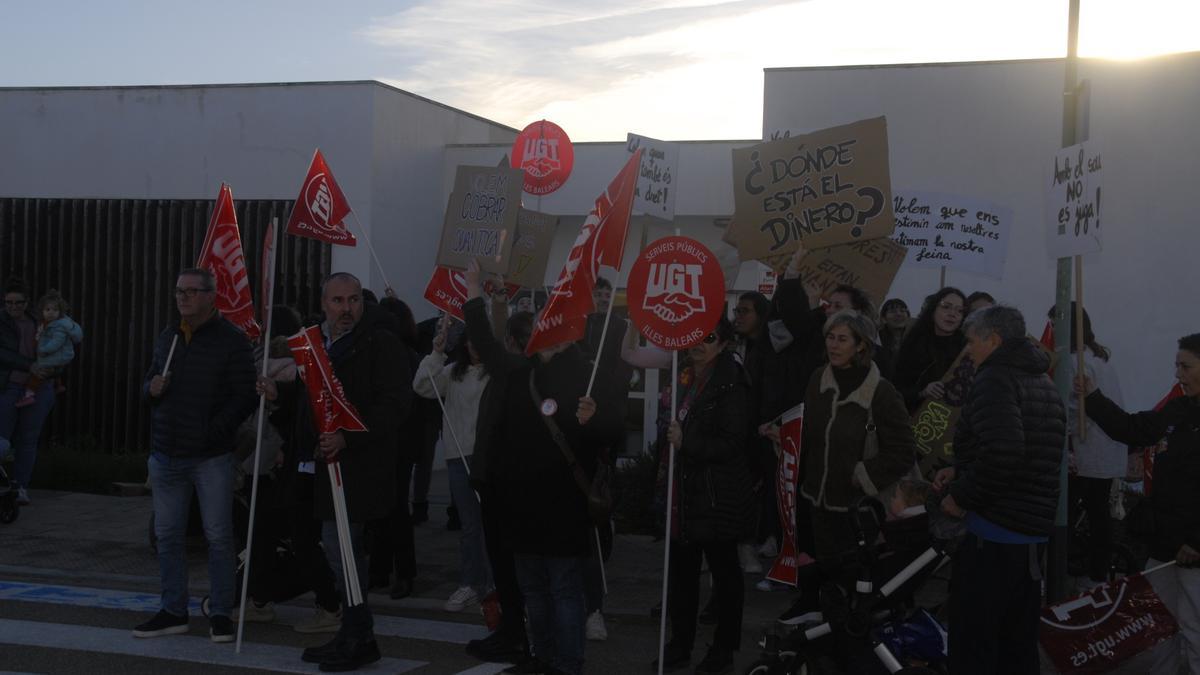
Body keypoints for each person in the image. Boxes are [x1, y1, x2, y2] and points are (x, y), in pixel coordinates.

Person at [264, 272, 411, 671]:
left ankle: (360, 634)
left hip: (358, 467)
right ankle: (353, 629)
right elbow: (318, 396)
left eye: (353, 300)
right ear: (324, 303)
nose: (346, 309)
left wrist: (349, 437)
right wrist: (283, 393)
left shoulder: (380, 344)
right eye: (338, 301)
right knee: (334, 547)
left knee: (344, 547)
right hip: (321, 465)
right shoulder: (319, 344)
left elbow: (395, 405)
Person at [481, 294, 621, 675]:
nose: (547, 329)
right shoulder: (521, 373)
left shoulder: (586, 374)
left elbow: (614, 433)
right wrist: (477, 293)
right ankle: (541, 658)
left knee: (563, 589)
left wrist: (596, 419)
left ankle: (567, 663)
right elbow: (489, 351)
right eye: (543, 322)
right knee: (534, 590)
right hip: (520, 503)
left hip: (563, 504)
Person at [936, 305, 1065, 675]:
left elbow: (1005, 453)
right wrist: (959, 470)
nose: (969, 351)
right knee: (1016, 643)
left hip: (994, 534)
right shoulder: (1040, 380)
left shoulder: (996, 378)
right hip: (1027, 535)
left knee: (976, 642)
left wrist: (961, 496)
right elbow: (1022, 450)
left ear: (993, 339)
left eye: (972, 342)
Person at [132, 268, 257, 643]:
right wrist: (150, 389)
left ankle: (221, 612)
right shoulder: (170, 336)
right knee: (168, 536)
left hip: (209, 456)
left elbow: (245, 396)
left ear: (210, 296)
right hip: (167, 452)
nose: (182, 298)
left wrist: (213, 432)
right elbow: (151, 382)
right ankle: (173, 610)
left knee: (218, 536)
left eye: (190, 291)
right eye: (178, 291)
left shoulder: (231, 340)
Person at [782, 310, 916, 641]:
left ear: (861, 345)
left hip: (860, 512)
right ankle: (834, 641)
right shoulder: (817, 380)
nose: (834, 345)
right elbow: (812, 431)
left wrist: (863, 474)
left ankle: (862, 644)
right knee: (831, 581)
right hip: (820, 501)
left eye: (843, 338)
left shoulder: (881, 392)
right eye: (830, 337)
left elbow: (903, 450)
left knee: (861, 585)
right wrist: (784, 434)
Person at [1076, 332, 1200, 674]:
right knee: (1158, 624)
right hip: (1164, 544)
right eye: (1177, 366)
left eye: (1186, 366)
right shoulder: (1179, 408)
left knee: (1194, 628)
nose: (1178, 374)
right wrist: (1093, 396)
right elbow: (1134, 429)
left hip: (1194, 552)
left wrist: (1197, 540)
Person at [653, 317, 754, 675]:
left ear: (724, 342)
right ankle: (680, 645)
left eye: (708, 337)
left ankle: (723, 649)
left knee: (725, 576)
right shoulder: (682, 373)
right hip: (683, 492)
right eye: (694, 334)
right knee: (681, 576)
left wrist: (687, 443)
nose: (699, 342)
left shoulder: (730, 380)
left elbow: (732, 442)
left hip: (716, 495)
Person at [414, 314, 493, 613]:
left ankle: (497, 584)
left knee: (493, 524)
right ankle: (471, 583)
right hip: (458, 457)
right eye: (470, 340)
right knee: (470, 526)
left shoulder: (497, 373)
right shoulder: (453, 372)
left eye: (480, 340)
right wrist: (436, 351)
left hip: (490, 457)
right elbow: (422, 386)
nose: (474, 346)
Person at [1049, 303, 1127, 587]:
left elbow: (1071, 403)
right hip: (1102, 445)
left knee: (1068, 511)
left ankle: (1072, 569)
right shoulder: (1098, 354)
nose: (1052, 330)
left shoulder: (1076, 360)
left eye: (1055, 324)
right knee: (1097, 512)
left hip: (1087, 444)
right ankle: (1096, 571)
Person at [373, 295, 424, 600]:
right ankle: (382, 569)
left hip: (398, 439)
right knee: (384, 506)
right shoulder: (402, 352)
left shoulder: (404, 355)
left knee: (393, 508)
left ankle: (402, 572)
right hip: (388, 438)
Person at [0, 281, 54, 505]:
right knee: (2, 439)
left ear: (27, 302)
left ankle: (21, 487)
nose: (13, 307)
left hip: (38, 386)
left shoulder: (37, 321)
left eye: (18, 302)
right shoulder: (1, 321)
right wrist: (28, 364)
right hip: (9, 385)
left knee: (28, 439)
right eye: (8, 302)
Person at [893, 287, 968, 413]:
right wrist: (922, 392)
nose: (952, 314)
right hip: (911, 418)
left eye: (959, 310)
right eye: (946, 307)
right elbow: (895, 390)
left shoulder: (968, 350)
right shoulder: (913, 343)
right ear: (933, 309)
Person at [16, 289, 82, 408]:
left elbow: (57, 342)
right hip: (58, 355)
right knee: (53, 368)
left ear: (60, 312)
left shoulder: (59, 326)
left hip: (55, 353)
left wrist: (44, 349)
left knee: (37, 374)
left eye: (55, 310)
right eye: (48, 310)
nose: (51, 313)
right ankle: (59, 385)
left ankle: (29, 395)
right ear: (42, 311)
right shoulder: (47, 323)